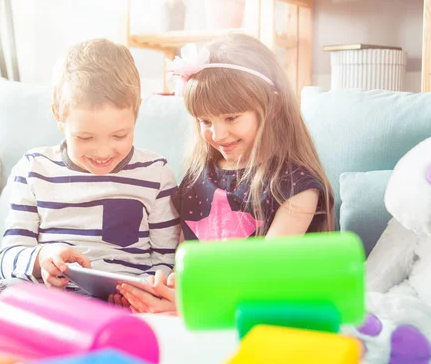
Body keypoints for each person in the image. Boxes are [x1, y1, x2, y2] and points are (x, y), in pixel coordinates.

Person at [118, 34, 334, 313]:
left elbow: (267, 279)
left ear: (273, 106)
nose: (217, 134)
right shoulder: (196, 180)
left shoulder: (297, 187)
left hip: (264, 314)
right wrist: (164, 289)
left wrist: (190, 303)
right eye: (205, 121)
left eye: (232, 118)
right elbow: (184, 263)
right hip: (197, 312)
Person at [0, 39, 180, 301]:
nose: (103, 153)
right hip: (49, 301)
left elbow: (167, 262)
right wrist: (43, 258)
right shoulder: (34, 169)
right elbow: (8, 257)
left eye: (119, 135)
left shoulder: (156, 173)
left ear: (136, 114)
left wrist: (143, 290)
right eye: (85, 138)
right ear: (59, 117)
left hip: (123, 305)